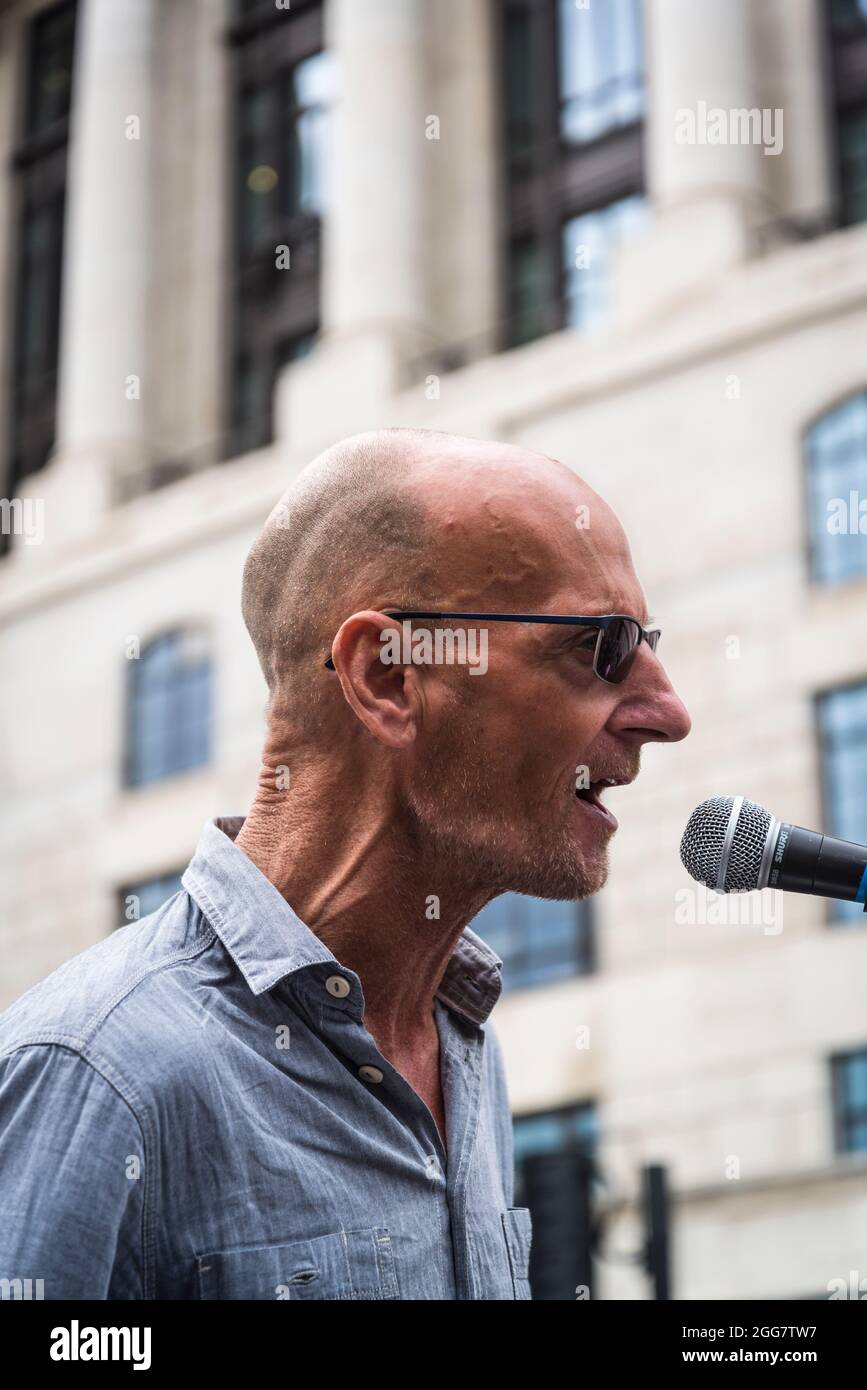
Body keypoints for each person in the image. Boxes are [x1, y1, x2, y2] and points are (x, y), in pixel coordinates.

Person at [0, 427, 691, 1299]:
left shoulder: (464, 1048)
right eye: (601, 648)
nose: (667, 713)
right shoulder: (92, 1073)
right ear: (388, 677)